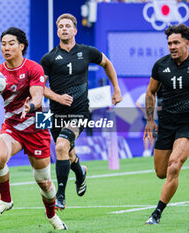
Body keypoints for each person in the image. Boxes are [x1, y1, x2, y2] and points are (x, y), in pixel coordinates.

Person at [0, 27, 67, 230]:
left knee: (44, 182)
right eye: (3, 44)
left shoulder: (34, 68)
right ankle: (6, 200)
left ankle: (51, 215)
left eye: (11, 43)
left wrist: (31, 105)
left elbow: (38, 95)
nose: (6, 48)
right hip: (13, 125)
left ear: (21, 46)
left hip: (39, 122)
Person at [40, 13, 122, 210]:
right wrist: (57, 97)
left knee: (60, 147)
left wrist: (116, 89)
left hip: (80, 111)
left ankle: (60, 195)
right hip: (56, 114)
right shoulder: (49, 58)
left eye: (68, 26)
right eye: (61, 26)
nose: (64, 29)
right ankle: (80, 172)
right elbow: (39, 87)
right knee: (67, 154)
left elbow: (107, 63)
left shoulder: (86, 52)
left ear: (75, 30)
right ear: (57, 31)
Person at [144, 23, 189, 224]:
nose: (172, 47)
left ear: (188, 43)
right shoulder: (160, 65)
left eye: (176, 42)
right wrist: (150, 120)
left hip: (188, 122)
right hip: (166, 123)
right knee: (161, 172)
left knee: (174, 165)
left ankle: (157, 213)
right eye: (169, 43)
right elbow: (150, 92)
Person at [136, 92, 159, 157]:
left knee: (153, 135)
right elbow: (137, 103)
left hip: (156, 117)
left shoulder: (157, 96)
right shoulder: (145, 95)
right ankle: (146, 150)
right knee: (148, 134)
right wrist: (144, 111)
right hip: (148, 118)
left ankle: (150, 150)